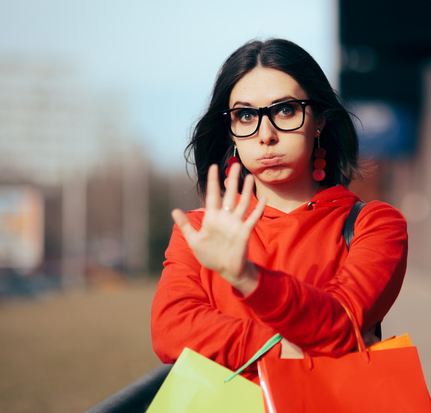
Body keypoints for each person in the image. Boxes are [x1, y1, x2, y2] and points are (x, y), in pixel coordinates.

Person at [150, 38, 407, 382]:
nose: (266, 135)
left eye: (285, 110)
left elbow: (339, 320)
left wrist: (246, 278)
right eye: (245, 116)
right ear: (232, 133)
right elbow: (171, 329)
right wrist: (281, 350)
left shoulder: (374, 224)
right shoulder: (200, 232)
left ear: (319, 120)